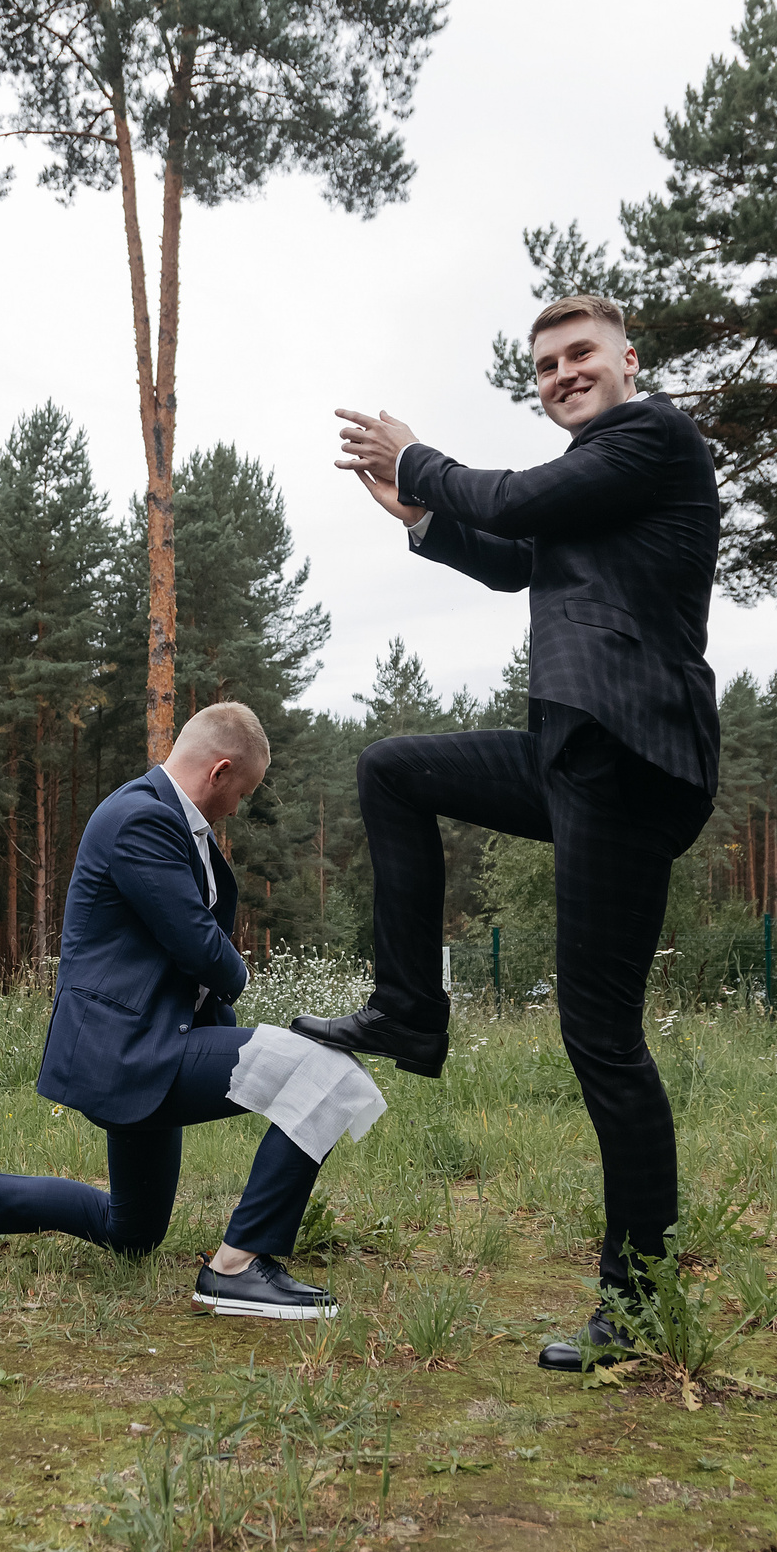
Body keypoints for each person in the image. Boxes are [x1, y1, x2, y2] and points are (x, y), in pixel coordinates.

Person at [300, 292, 721, 1371]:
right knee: (394, 769)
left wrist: (418, 458)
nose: (562, 375)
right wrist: (427, 523)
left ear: (630, 359)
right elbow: (513, 552)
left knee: (601, 1040)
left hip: (630, 759)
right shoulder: (597, 491)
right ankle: (408, 1011)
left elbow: (518, 496)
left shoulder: (651, 437)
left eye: (579, 355)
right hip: (572, 753)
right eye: (544, 367)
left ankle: (635, 1305)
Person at [0, 703, 385, 1319]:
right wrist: (241, 970)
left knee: (132, 1232)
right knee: (325, 1073)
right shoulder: (141, 819)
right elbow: (200, 946)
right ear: (221, 769)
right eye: (244, 791)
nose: (239, 807)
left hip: (145, 1042)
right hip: (133, 1048)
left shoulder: (161, 819)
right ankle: (236, 1268)